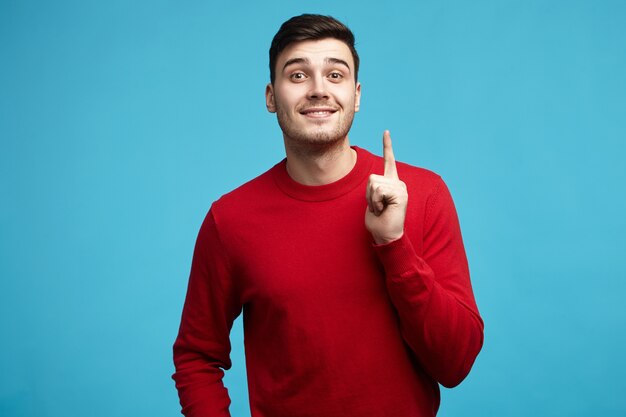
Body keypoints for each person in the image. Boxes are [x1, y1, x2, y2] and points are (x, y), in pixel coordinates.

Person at [172, 14, 484, 417]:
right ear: (271, 96)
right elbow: (196, 356)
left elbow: (455, 363)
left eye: (335, 75)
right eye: (298, 76)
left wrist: (394, 245)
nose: (319, 90)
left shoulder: (423, 195)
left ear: (356, 95)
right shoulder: (230, 219)